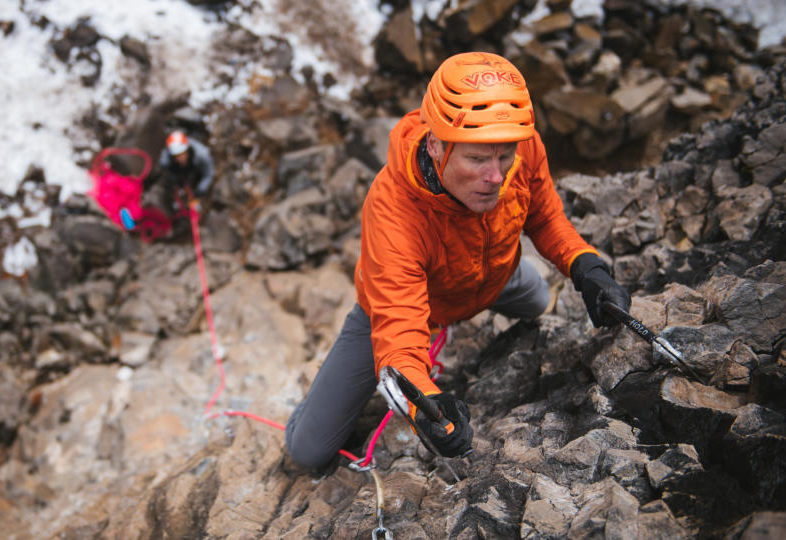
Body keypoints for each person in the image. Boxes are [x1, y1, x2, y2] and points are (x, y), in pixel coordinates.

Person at [284, 52, 632, 469]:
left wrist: (585, 264)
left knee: (539, 301)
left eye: (504, 157)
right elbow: (399, 328)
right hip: (415, 306)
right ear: (435, 145)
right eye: (477, 159)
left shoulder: (520, 143)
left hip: (496, 275)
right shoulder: (393, 210)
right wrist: (424, 404)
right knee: (308, 452)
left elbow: (545, 216)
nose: (496, 175)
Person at [155, 130, 215, 216]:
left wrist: (200, 190)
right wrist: (176, 179)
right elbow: (166, 169)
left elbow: (209, 174)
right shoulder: (165, 160)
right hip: (179, 172)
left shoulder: (203, 155)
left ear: (187, 149)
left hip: (196, 170)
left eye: (182, 154)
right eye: (176, 156)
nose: (180, 159)